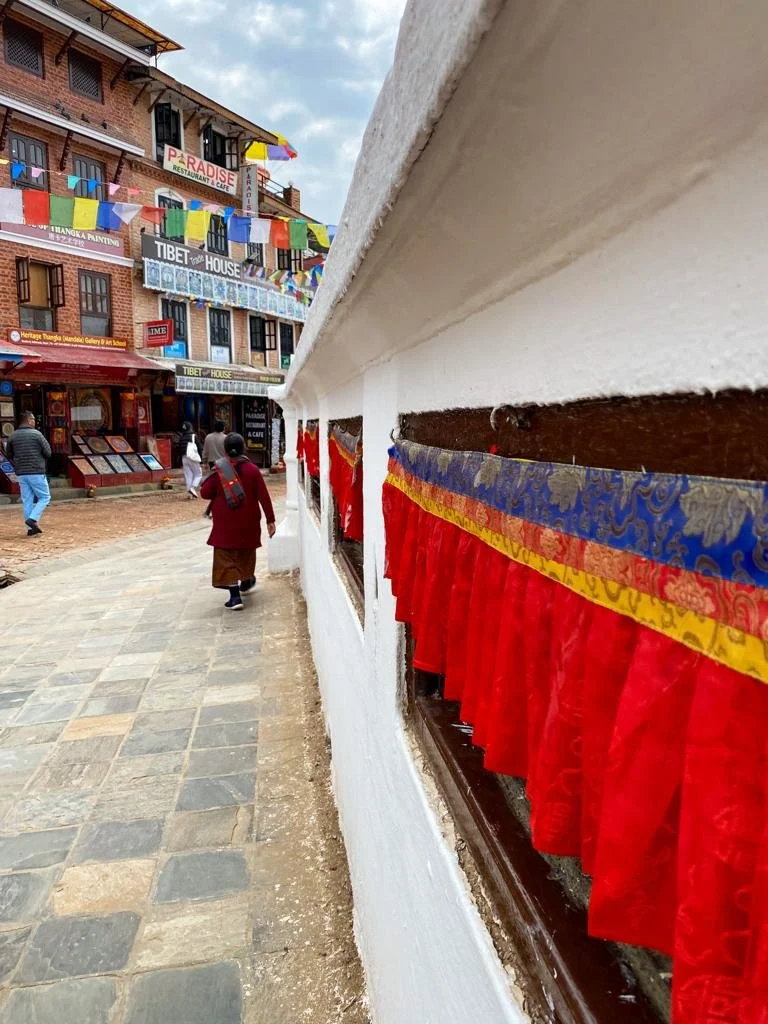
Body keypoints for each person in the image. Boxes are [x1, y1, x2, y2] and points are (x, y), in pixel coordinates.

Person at [199, 432, 276, 611]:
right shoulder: (253, 470)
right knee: (245, 553)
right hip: (249, 521)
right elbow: (264, 497)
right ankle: (246, 579)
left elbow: (205, 493)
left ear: (225, 450)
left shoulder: (219, 470)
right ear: (244, 448)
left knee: (226, 557)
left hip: (225, 524)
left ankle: (235, 597)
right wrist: (270, 520)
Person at [5, 412, 51, 536]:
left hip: (21, 473)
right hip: (36, 471)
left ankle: (30, 529)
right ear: (30, 420)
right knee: (45, 497)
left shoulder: (13, 436)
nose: (35, 422)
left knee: (27, 500)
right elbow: (48, 452)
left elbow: (9, 454)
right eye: (34, 419)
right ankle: (33, 519)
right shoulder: (37, 434)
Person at [201, 419, 228, 520]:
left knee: (215, 488)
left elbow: (205, 451)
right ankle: (212, 510)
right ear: (223, 428)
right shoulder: (226, 438)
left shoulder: (208, 437)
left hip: (212, 464)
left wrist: (204, 462)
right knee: (222, 489)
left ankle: (209, 511)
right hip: (224, 464)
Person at [178, 421, 202, 498]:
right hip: (193, 457)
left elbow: (179, 449)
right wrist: (201, 458)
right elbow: (199, 447)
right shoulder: (194, 436)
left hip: (184, 458)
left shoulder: (181, 437)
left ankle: (190, 494)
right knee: (198, 474)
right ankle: (193, 487)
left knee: (188, 475)